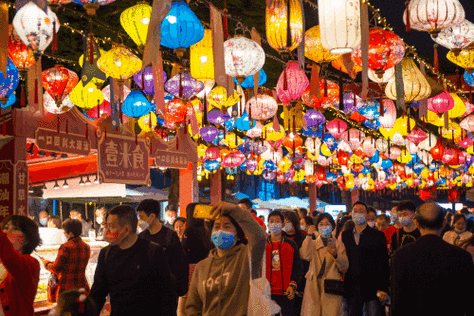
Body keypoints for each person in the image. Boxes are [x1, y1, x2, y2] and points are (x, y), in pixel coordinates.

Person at [89, 204, 176, 316]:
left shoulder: (153, 251)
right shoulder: (106, 254)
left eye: (111, 226)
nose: (107, 230)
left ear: (126, 230)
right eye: (106, 225)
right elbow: (97, 293)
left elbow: (167, 295)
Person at [391, 202, 474, 316]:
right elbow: (469, 299)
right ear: (444, 223)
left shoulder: (400, 255)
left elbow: (398, 301)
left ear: (417, 223)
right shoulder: (462, 256)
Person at [185, 202, 266, 315]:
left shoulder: (247, 257)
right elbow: (193, 306)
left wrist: (234, 209)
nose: (220, 230)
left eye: (227, 226)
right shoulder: (202, 266)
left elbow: (259, 237)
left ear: (238, 235)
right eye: (217, 227)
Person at [341, 201, 389, 316]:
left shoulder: (377, 235)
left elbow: (383, 262)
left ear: (367, 215)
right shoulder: (345, 235)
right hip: (351, 286)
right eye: (355, 211)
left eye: (361, 211)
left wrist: (383, 288)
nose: (357, 214)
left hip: (372, 286)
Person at [137, 199, 189, 300]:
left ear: (152, 216)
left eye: (141, 217)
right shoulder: (141, 237)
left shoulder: (170, 236)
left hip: (166, 295)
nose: (139, 221)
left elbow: (178, 266)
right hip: (145, 294)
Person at [300, 213, 349, 316]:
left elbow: (344, 266)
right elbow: (305, 255)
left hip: (332, 286)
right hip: (313, 284)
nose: (324, 226)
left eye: (327, 223)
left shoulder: (338, 244)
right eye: (321, 224)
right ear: (317, 227)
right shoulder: (312, 243)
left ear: (332, 226)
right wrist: (308, 235)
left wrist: (335, 254)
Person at [0, 215, 42, 315]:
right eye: (6, 228)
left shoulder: (30, 263)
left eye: (16, 229)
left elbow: (10, 258)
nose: (8, 232)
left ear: (27, 239)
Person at [43, 219, 91, 302]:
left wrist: (46, 263)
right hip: (82, 286)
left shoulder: (66, 247)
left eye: (65, 232)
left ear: (71, 234)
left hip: (67, 288)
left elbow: (56, 268)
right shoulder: (86, 247)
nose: (64, 234)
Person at [178, 204, 214, 316]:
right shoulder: (206, 229)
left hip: (190, 269)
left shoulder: (189, 230)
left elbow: (183, 249)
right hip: (206, 268)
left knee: (183, 303)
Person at [266, 210, 303, 316]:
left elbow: (298, 267)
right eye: (271, 221)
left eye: (277, 221)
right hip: (267, 293)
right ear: (268, 224)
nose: (274, 224)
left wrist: (293, 285)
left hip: (286, 293)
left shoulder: (291, 244)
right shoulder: (262, 245)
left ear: (282, 225)